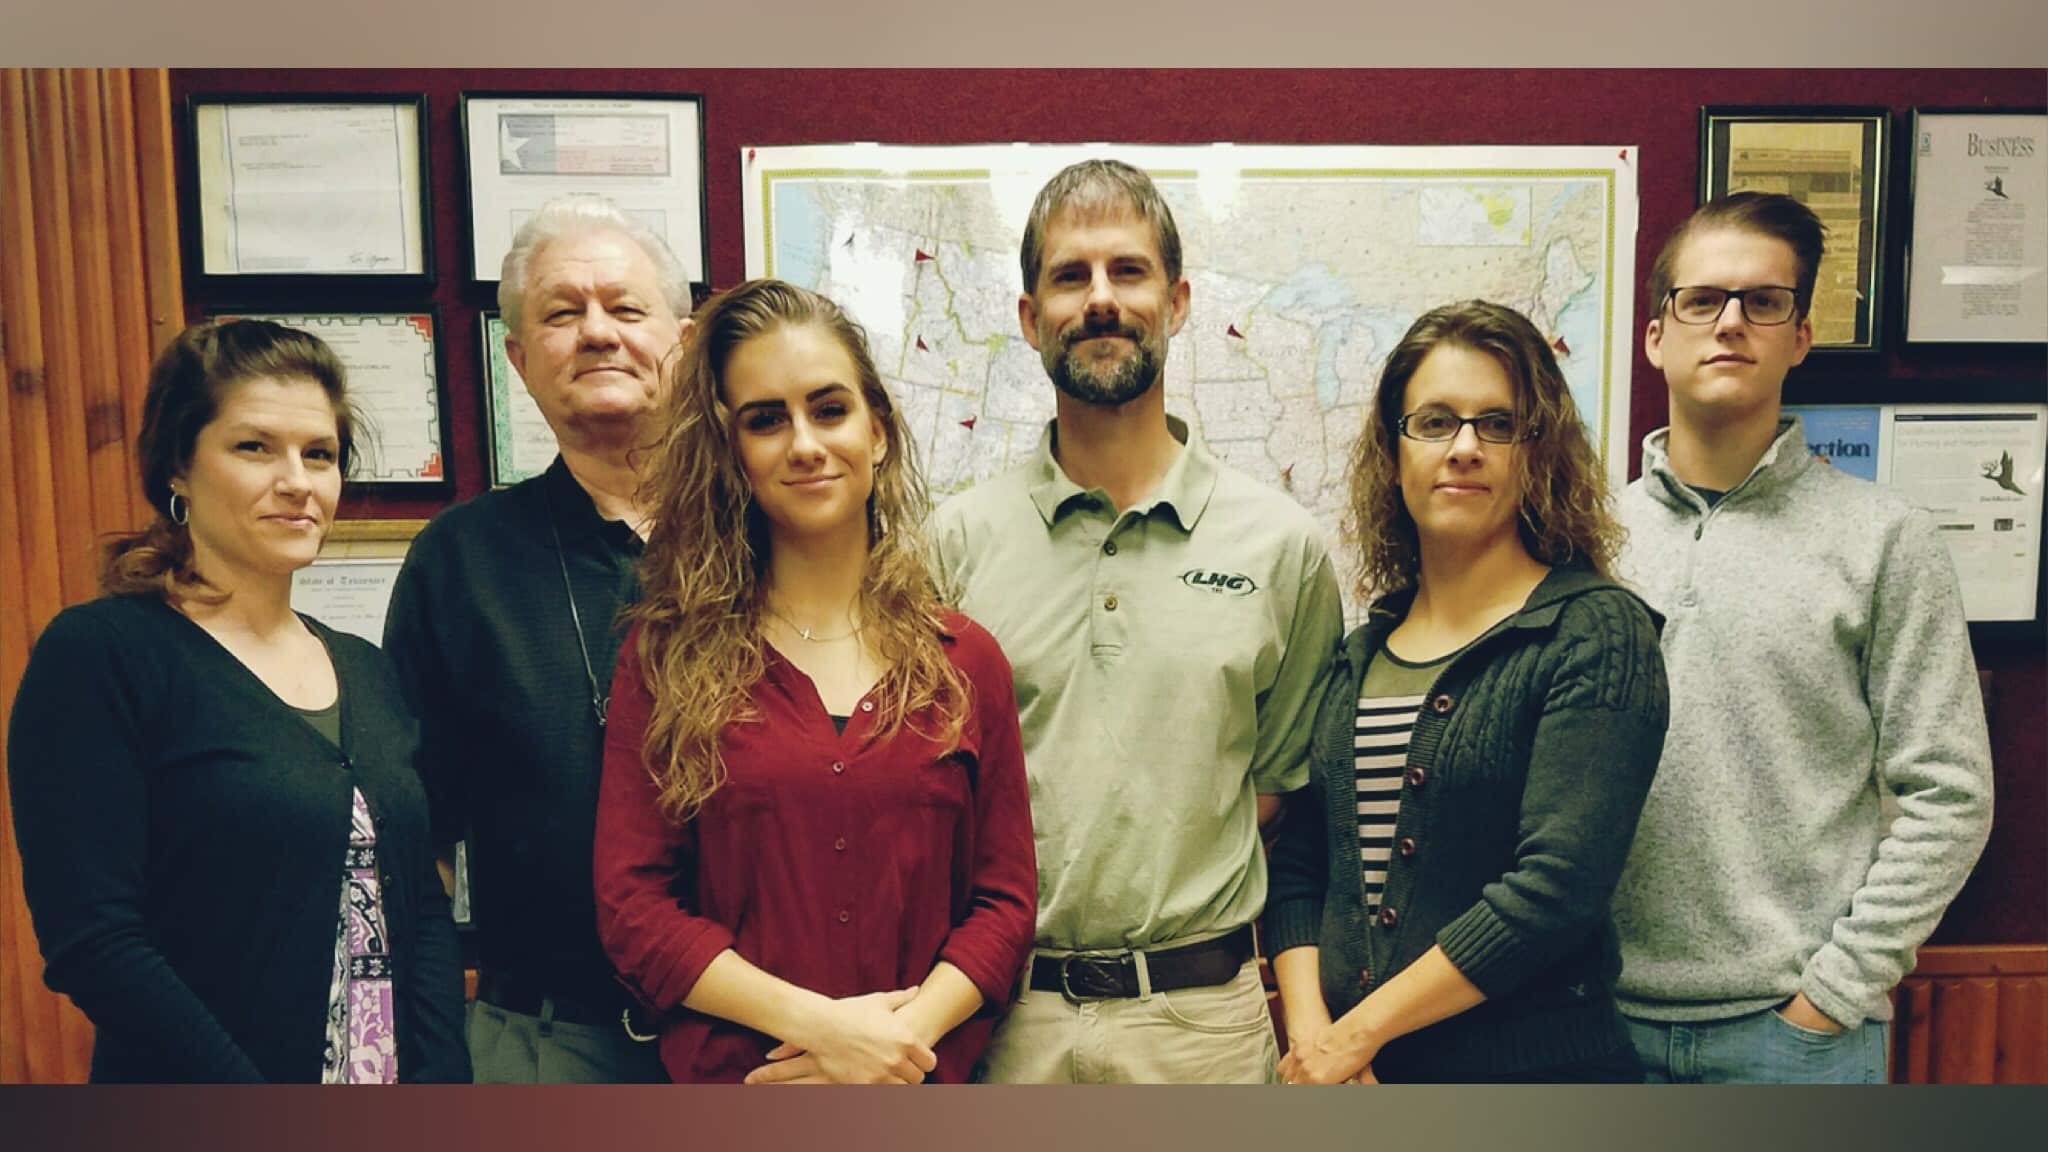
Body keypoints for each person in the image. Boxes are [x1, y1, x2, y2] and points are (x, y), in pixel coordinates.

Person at [930, 159, 1345, 1083]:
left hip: (1204, 1025)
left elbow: (1277, 788)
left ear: (1179, 300)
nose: (1101, 299)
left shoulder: (1281, 549)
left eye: (1129, 271)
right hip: (1006, 1024)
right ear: (1030, 317)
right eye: (1070, 276)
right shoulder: (952, 546)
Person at [591, 279, 1036, 1084]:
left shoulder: (964, 662)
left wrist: (896, 1045)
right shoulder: (665, 657)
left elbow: (1004, 904)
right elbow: (634, 906)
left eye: (828, 409)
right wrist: (820, 1031)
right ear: (733, 455)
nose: (803, 443)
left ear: (880, 433)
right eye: (766, 419)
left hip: (921, 1090)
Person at [7, 319, 469, 1083]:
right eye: (255, 447)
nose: (297, 481)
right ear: (177, 469)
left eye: (318, 454)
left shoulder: (366, 670)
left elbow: (417, 908)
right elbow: (95, 941)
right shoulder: (103, 656)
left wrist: (442, 1091)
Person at [1612, 192, 1995, 1084]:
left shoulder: (1885, 538)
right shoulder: (1587, 539)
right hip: (1595, 1024)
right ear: (1656, 337)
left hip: (1793, 1041)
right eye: (1701, 300)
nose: (1732, 322)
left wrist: (1834, 994)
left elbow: (1949, 793)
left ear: (1800, 337)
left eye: (1765, 301)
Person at [1264, 300, 1667, 1084]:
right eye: (1436, 422)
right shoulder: (1358, 655)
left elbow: (1555, 892)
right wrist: (1318, 1044)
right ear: (1394, 451)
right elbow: (1303, 867)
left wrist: (1355, 1039)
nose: (1465, 448)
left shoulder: (1596, 634)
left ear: (1537, 451)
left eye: (1497, 424)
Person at [382, 197, 689, 1082]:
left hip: (768, 1042)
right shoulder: (460, 561)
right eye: (562, 312)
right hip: (541, 1042)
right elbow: (421, 840)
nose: (598, 332)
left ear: (683, 336)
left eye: (626, 308)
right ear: (517, 359)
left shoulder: (771, 535)